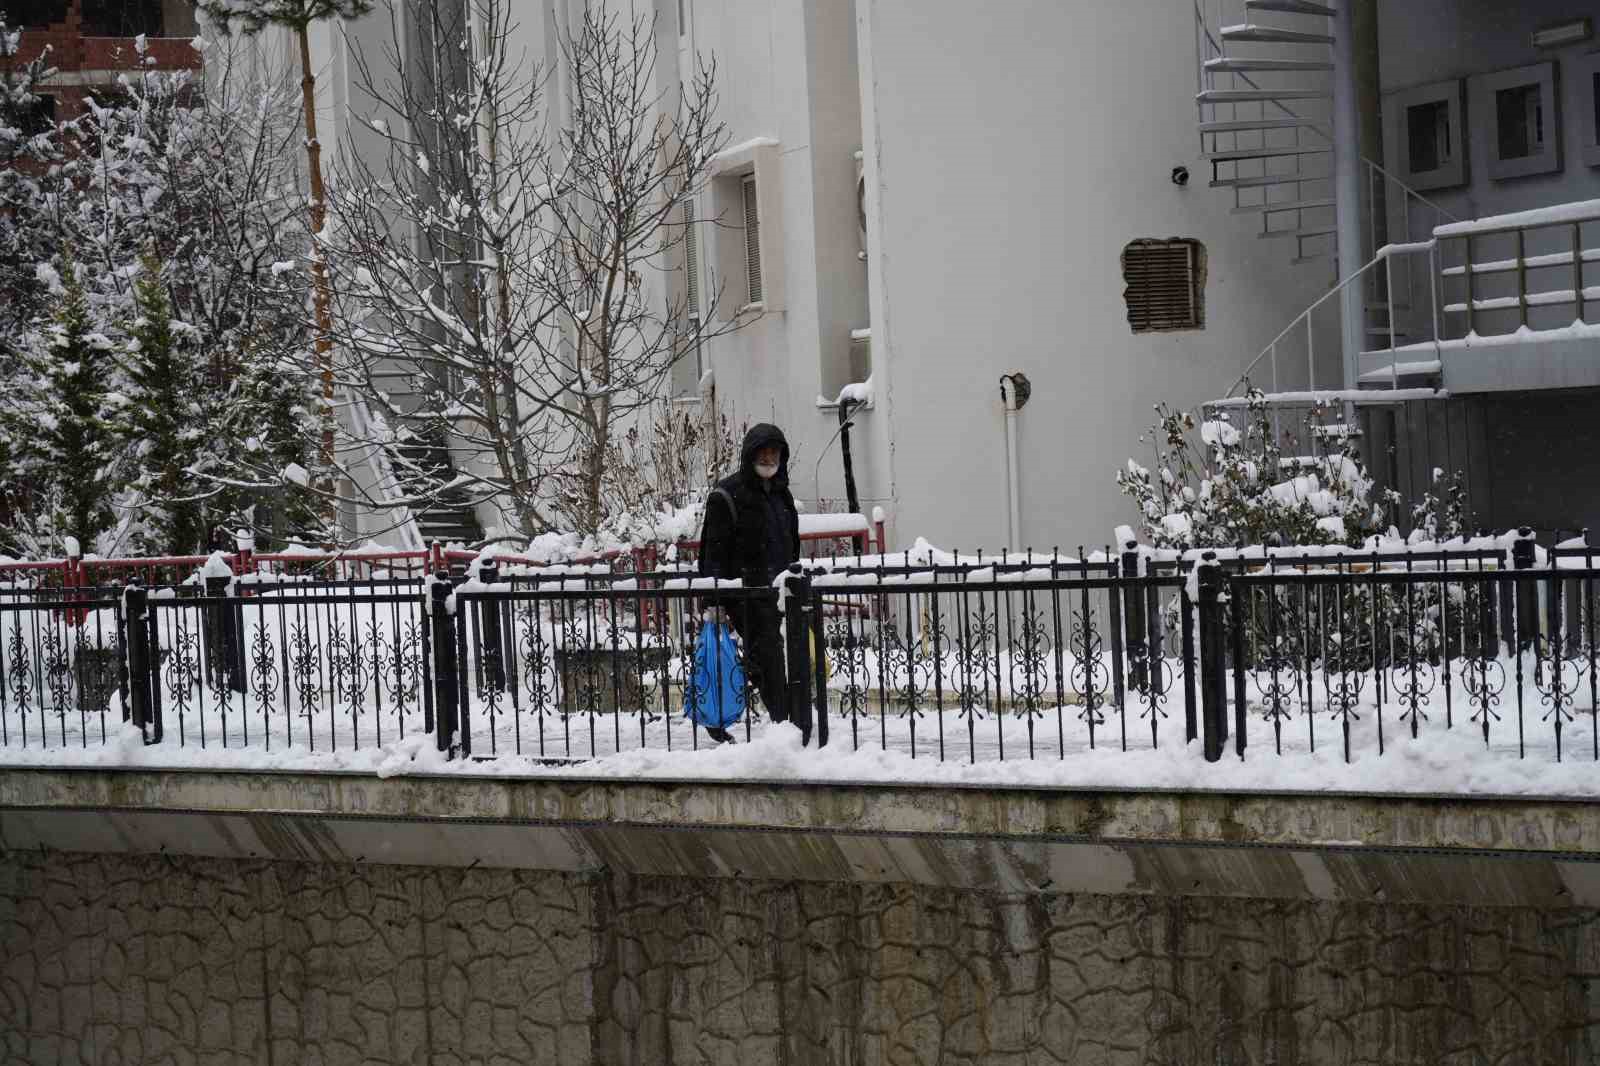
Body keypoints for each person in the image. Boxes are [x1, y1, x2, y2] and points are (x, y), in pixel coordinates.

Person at [696, 423, 809, 744]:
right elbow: (712, 553)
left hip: (780, 593)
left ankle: (784, 721)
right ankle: (784, 724)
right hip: (744, 596)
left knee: (773, 662)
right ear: (749, 455)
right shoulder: (727, 495)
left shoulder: (782, 495)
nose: (769, 458)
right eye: (763, 452)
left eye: (774, 453)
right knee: (766, 661)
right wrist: (714, 601)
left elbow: (791, 543)